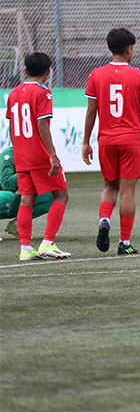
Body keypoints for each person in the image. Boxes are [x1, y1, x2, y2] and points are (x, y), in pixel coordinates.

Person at [82, 28, 140, 255]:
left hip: (106, 140)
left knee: (110, 187)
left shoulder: (96, 75)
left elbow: (91, 112)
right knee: (127, 192)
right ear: (129, 49)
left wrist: (86, 141)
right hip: (131, 141)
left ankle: (104, 219)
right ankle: (125, 243)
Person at [5, 52, 70, 260]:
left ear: (25, 71)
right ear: (48, 72)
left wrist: (17, 151)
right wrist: (52, 154)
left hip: (21, 155)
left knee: (27, 199)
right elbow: (42, 124)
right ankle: (48, 243)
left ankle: (25, 248)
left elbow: (11, 126)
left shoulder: (14, 93)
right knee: (61, 196)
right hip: (39, 155)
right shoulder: (44, 93)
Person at [0, 146, 53, 237]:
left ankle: (17, 224)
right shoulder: (9, 154)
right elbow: (6, 184)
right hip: (4, 197)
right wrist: (29, 172)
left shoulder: (38, 155)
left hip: (10, 201)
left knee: (51, 196)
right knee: (7, 196)